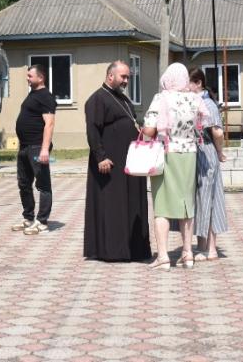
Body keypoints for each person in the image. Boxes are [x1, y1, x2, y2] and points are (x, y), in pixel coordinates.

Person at [82, 61, 150, 263]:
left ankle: (133, 249)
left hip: (128, 161)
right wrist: (100, 156)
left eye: (128, 77)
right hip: (109, 163)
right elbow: (93, 130)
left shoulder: (123, 99)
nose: (126, 81)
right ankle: (112, 250)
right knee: (113, 206)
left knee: (131, 204)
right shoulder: (97, 99)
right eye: (123, 77)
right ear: (110, 76)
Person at [143, 62, 206, 270]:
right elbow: (200, 126)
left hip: (166, 154)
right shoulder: (195, 98)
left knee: (162, 205)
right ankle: (187, 254)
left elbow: (149, 130)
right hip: (190, 154)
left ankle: (163, 256)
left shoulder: (162, 98)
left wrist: (143, 131)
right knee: (187, 205)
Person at [190, 69, 230, 262]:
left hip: (206, 152)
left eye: (188, 83)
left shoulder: (208, 104)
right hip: (198, 152)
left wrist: (219, 152)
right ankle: (202, 245)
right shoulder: (196, 101)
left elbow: (218, 132)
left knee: (209, 199)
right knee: (200, 199)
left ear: (198, 83)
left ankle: (211, 248)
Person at [13, 64, 56, 235]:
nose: (27, 78)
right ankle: (29, 218)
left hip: (37, 147)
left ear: (41, 77)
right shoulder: (33, 94)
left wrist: (44, 149)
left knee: (43, 184)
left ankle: (42, 222)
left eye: (30, 76)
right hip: (25, 147)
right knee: (24, 184)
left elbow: (49, 124)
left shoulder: (46, 97)